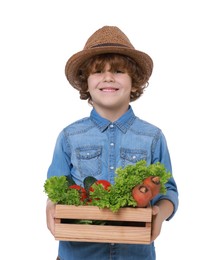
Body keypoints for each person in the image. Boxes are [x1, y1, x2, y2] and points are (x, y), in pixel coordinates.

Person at [46, 25, 179, 260]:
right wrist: (50, 207)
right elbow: (56, 187)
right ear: (85, 83)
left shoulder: (153, 137)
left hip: (135, 254)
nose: (108, 77)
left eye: (118, 71)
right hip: (78, 255)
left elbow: (169, 192)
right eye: (98, 72)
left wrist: (160, 213)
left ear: (134, 82)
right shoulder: (69, 136)